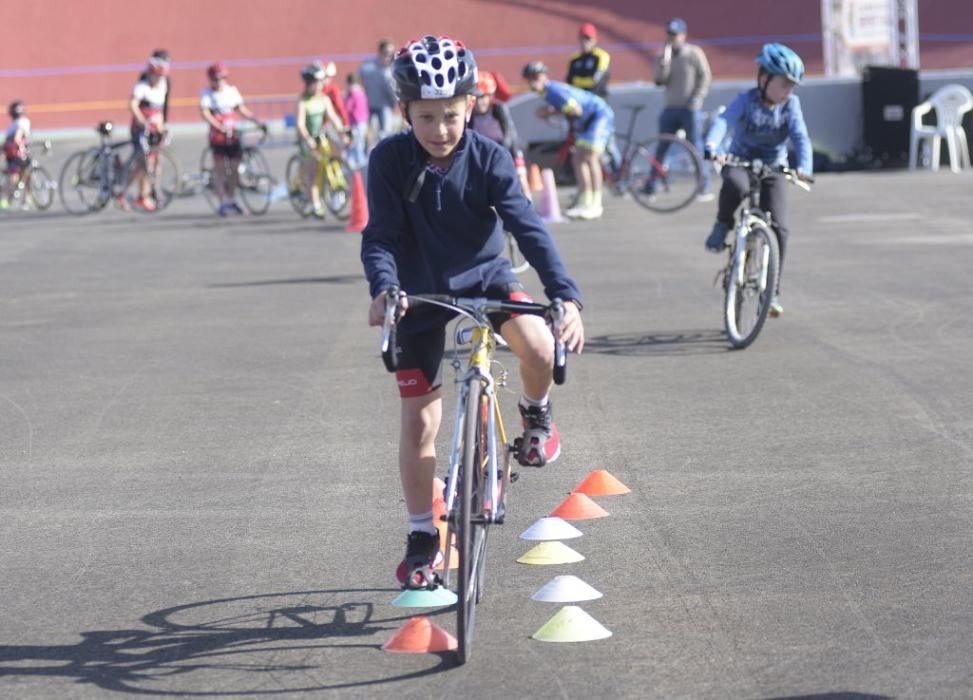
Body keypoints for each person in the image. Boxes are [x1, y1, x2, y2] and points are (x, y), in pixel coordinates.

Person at [361, 35, 584, 589]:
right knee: (421, 423)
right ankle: (421, 537)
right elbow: (380, 237)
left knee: (539, 345)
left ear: (471, 107)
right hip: (419, 294)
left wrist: (566, 296)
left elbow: (527, 228)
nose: (440, 129)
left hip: (487, 280)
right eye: (427, 117)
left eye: (452, 116)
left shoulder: (488, 156)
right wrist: (385, 288)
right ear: (405, 112)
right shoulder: (389, 159)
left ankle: (536, 413)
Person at [702, 43, 812, 318]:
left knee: (780, 228)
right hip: (741, 161)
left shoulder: (791, 106)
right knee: (735, 185)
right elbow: (724, 121)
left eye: (793, 86)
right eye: (784, 84)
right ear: (763, 79)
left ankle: (772, 290)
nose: (789, 91)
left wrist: (804, 167)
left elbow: (800, 138)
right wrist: (713, 146)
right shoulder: (746, 100)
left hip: (773, 167)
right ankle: (723, 222)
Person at [523, 60, 614, 220]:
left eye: (536, 77)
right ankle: (585, 201)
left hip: (598, 116)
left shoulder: (553, 90)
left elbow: (575, 110)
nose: (533, 81)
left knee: (590, 157)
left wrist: (550, 112)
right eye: (530, 78)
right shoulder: (546, 92)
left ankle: (596, 203)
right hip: (587, 119)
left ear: (544, 77)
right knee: (578, 159)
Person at [653, 18, 713, 199]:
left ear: (683, 35)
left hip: (689, 108)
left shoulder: (693, 53)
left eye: (675, 35)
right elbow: (659, 81)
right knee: (662, 147)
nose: (672, 38)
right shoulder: (665, 55)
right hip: (670, 108)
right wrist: (664, 64)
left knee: (695, 147)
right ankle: (652, 184)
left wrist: (697, 98)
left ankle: (704, 185)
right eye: (670, 35)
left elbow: (705, 76)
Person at [199, 62, 267, 216]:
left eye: (222, 78)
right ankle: (222, 202)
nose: (219, 82)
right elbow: (205, 113)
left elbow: (241, 109)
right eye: (216, 79)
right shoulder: (207, 94)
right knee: (220, 170)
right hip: (218, 136)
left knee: (235, 169)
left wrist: (256, 120)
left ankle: (231, 199)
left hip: (234, 135)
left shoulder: (232, 91)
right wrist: (218, 126)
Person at [294, 62, 347, 218]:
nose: (319, 86)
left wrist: (342, 131)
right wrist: (308, 139)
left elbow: (334, 118)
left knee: (333, 157)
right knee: (313, 172)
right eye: (316, 83)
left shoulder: (324, 99)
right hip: (308, 140)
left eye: (320, 83)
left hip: (321, 136)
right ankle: (315, 205)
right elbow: (300, 124)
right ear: (309, 84)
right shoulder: (302, 101)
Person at [469, 71, 531, 199]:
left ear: (490, 96)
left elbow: (509, 131)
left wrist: (504, 149)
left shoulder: (498, 109)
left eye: (483, 98)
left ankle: (529, 206)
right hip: (487, 149)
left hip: (508, 147)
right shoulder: (471, 114)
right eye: (477, 98)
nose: (480, 103)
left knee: (520, 178)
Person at [126, 54, 170, 211]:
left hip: (154, 129)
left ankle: (146, 193)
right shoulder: (141, 87)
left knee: (154, 161)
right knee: (143, 163)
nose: (159, 79)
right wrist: (141, 121)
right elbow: (132, 105)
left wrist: (162, 126)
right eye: (157, 76)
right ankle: (131, 193)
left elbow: (160, 111)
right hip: (140, 129)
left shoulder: (163, 86)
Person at [359, 39, 399, 147]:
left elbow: (394, 91)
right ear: (380, 53)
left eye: (391, 54)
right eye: (386, 53)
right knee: (366, 131)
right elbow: (359, 81)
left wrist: (394, 103)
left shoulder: (392, 70)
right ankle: (367, 155)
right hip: (369, 105)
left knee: (385, 132)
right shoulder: (368, 67)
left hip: (384, 105)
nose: (388, 56)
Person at [566, 22, 610, 97]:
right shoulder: (574, 59)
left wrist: (577, 81)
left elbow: (595, 81)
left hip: (597, 99)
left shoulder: (602, 56)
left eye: (588, 39)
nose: (585, 42)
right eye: (582, 38)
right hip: (578, 100)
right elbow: (569, 82)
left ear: (594, 40)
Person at [2, 100, 30, 210]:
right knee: (24, 175)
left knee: (17, 176)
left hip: (12, 153)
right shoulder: (23, 122)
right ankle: (24, 200)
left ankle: (10, 199)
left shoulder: (13, 125)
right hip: (18, 153)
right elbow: (17, 138)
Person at [344, 72, 370, 170]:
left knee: (355, 144)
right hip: (363, 121)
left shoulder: (353, 92)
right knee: (359, 143)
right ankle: (359, 162)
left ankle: (360, 164)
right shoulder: (361, 92)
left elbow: (348, 107)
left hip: (356, 122)